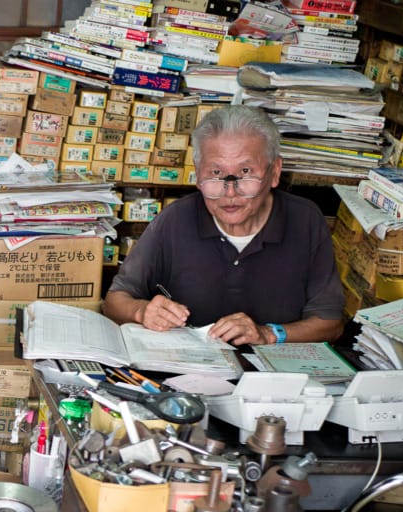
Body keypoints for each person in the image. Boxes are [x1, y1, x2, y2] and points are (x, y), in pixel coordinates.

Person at [103, 105, 345, 346]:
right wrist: (142, 311)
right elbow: (114, 301)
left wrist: (268, 334)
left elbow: (331, 323)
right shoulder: (177, 219)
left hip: (274, 377)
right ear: (198, 175)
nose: (230, 192)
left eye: (246, 172)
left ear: (275, 172)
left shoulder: (304, 220)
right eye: (216, 173)